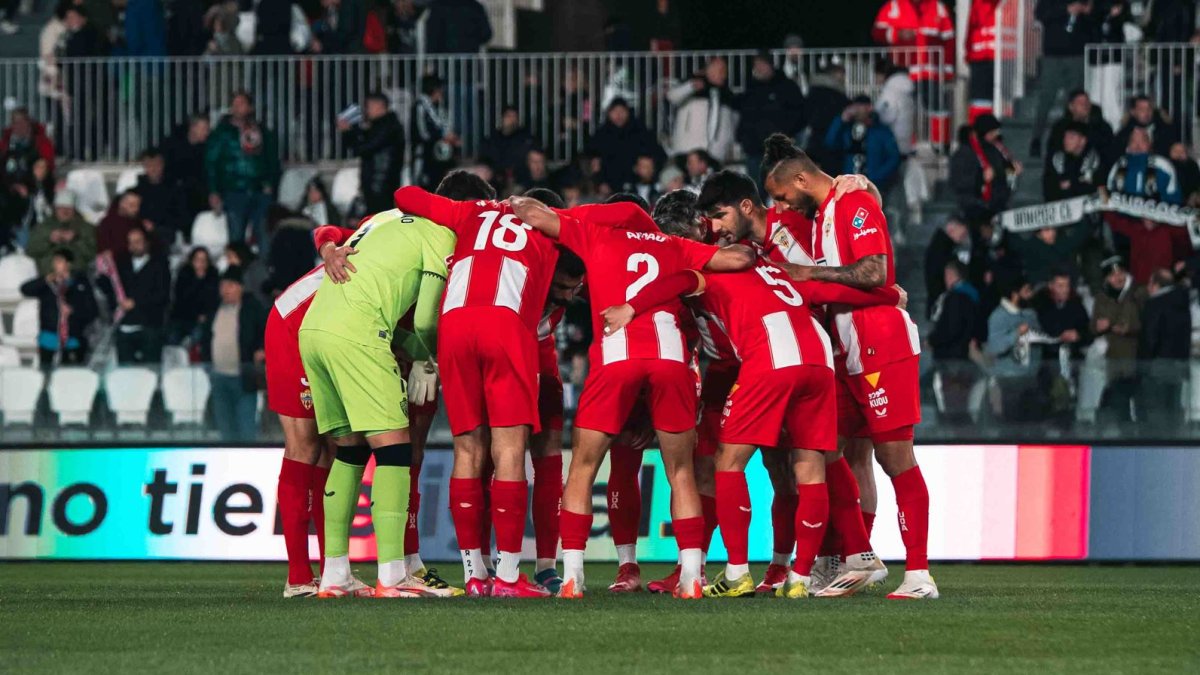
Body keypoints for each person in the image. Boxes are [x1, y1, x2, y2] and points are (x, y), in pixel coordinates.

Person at [597, 242, 900, 599]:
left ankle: (737, 573)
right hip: (818, 361)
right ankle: (799, 579)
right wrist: (889, 296)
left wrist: (631, 307)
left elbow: (677, 280)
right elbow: (830, 290)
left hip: (770, 355)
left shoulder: (712, 274)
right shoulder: (777, 274)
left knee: (728, 460)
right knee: (810, 466)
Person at [508, 189, 756, 600]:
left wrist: (507, 205)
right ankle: (692, 578)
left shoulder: (594, 236)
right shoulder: (675, 244)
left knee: (584, 468)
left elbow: (536, 215)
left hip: (617, 357)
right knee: (681, 473)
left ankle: (572, 577)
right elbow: (738, 259)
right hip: (673, 361)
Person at [761, 133, 935, 600]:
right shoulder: (823, 218)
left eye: (782, 196)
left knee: (894, 457)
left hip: (881, 343)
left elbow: (876, 270)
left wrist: (809, 275)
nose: (782, 206)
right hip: (848, 348)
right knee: (825, 447)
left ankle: (919, 575)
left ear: (800, 178)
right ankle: (859, 556)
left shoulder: (853, 200)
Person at [393, 172, 560, 598]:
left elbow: (405, 194)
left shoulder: (468, 212)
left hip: (453, 328)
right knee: (509, 449)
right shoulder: (548, 222)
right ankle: (507, 576)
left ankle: (474, 574)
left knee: (467, 449)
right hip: (505, 325)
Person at [299, 202, 456, 599]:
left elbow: (331, 239)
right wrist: (427, 356)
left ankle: (335, 574)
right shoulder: (440, 233)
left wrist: (412, 348)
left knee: (349, 452)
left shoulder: (380, 219)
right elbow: (423, 320)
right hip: (361, 336)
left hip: (314, 331)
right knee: (394, 453)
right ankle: (392, 575)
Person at [206, 91, 281, 256]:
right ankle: (237, 276)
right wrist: (214, 190)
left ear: (250, 107)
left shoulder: (261, 131)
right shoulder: (222, 133)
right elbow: (211, 163)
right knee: (236, 239)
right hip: (234, 191)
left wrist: (270, 184)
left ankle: (264, 276)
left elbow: (272, 160)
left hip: (259, 192)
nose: (237, 107)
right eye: (235, 104)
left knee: (264, 238)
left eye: (241, 103)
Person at [205, 266, 267, 441]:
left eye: (230, 285)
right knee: (225, 430)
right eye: (223, 285)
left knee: (246, 430)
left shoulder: (252, 308)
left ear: (240, 287)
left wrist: (261, 349)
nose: (225, 290)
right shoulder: (214, 309)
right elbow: (206, 337)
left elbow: (266, 331)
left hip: (244, 379)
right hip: (218, 379)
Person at [1031, 0, 1097, 158]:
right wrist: (1066, 9)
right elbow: (1041, 14)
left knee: (1075, 100)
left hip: (1077, 53)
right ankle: (1036, 139)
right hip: (1053, 53)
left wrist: (1086, 11)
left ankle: (1073, 138)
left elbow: (1094, 19)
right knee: (1046, 97)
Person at [736, 51, 805, 184]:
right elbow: (745, 117)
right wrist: (743, 138)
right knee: (757, 191)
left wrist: (786, 136)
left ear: (770, 65)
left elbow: (799, 115)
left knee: (782, 189)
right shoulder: (751, 89)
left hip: (779, 152)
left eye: (761, 64)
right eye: (756, 65)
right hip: (755, 150)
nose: (758, 68)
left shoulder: (787, 87)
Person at [103, 228, 171, 364]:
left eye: (138, 241)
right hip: (124, 326)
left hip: (150, 326)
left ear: (146, 243)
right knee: (126, 373)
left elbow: (162, 295)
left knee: (150, 371)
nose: (135, 245)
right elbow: (110, 288)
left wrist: (136, 303)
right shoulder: (121, 265)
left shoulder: (160, 266)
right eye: (131, 242)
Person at [19, 249, 98, 366]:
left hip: (72, 338)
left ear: (68, 264)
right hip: (48, 337)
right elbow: (25, 289)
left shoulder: (81, 283)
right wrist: (44, 280)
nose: (56, 264)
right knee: (45, 373)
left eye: (59, 261)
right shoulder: (48, 284)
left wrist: (73, 311)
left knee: (69, 376)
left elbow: (92, 311)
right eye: (54, 261)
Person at [986, 276, 1046, 420]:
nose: (1030, 295)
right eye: (1026, 291)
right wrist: (1016, 333)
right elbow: (994, 347)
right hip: (1009, 378)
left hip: (1031, 376)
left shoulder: (1030, 314)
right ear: (1015, 294)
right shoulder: (998, 316)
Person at [1091, 257, 1143, 422]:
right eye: (1113, 275)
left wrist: (1121, 326)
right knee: (1118, 402)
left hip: (1136, 355)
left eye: (1120, 273)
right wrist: (1097, 327)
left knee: (1139, 400)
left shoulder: (1139, 292)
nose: (1118, 278)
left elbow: (1146, 321)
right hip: (1113, 357)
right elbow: (1093, 325)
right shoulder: (1101, 297)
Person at [928, 260, 981, 423]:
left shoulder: (955, 298)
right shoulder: (972, 296)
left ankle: (952, 429)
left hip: (951, 358)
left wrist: (933, 341)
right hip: (962, 355)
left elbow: (950, 329)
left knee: (952, 400)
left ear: (951, 275)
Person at [1138, 267, 1191, 427]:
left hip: (1157, 366)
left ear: (1154, 284)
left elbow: (1149, 338)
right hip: (1179, 365)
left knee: (1155, 412)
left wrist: (1143, 365)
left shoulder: (1154, 304)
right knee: (1173, 408)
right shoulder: (1182, 303)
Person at [339, 91, 404, 214]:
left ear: (379, 106)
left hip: (382, 185)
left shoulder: (388, 126)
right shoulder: (379, 126)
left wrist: (349, 132)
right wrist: (349, 131)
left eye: (368, 106)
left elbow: (364, 148)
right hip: (375, 186)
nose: (366, 111)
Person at [588, 98, 665, 196]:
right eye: (615, 111)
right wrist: (601, 182)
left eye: (622, 111)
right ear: (609, 113)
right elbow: (594, 162)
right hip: (610, 183)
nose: (619, 115)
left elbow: (657, 153)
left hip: (638, 182)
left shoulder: (639, 131)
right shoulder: (601, 135)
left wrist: (647, 171)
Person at [824, 95, 902, 193]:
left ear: (869, 108)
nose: (857, 111)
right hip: (849, 186)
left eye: (860, 107)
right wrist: (841, 120)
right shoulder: (847, 130)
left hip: (873, 185)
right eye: (855, 107)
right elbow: (830, 143)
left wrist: (876, 178)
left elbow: (894, 157)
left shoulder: (880, 131)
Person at [666, 57, 737, 163]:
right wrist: (691, 86)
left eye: (724, 71)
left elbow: (732, 123)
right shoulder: (692, 84)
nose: (723, 74)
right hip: (687, 149)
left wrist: (726, 146)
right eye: (719, 70)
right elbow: (672, 96)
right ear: (707, 70)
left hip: (715, 153)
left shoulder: (727, 94)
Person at [950, 115, 1021, 220]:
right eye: (991, 133)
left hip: (997, 204)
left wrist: (1012, 169)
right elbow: (958, 180)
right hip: (974, 206)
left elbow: (998, 170)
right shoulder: (965, 152)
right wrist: (981, 178)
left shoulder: (996, 148)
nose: (994, 136)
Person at [924, 215, 986, 319]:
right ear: (951, 228)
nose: (964, 237)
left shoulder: (944, 248)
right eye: (962, 233)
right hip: (944, 306)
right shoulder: (942, 251)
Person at [27, 190, 96, 276]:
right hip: (48, 275)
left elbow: (93, 254)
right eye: (61, 208)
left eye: (68, 208)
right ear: (55, 209)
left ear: (74, 209)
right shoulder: (42, 228)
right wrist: (49, 240)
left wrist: (76, 240)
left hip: (77, 276)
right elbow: (31, 251)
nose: (65, 211)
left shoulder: (86, 228)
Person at [163, 114, 211, 228]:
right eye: (204, 129)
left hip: (199, 195)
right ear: (193, 128)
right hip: (177, 193)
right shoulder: (173, 145)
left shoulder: (208, 149)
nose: (207, 133)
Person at [135, 148, 187, 250]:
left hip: (165, 233)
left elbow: (181, 217)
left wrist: (155, 226)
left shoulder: (175, 189)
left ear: (163, 165)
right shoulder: (137, 190)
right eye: (149, 165)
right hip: (140, 231)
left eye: (156, 165)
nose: (153, 169)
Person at [168, 247, 220, 348]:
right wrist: (197, 280)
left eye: (204, 260)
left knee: (199, 335)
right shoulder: (184, 274)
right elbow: (181, 299)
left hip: (202, 319)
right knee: (173, 338)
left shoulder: (213, 276)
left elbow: (213, 300)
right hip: (182, 316)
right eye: (197, 260)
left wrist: (205, 315)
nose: (201, 263)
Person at [804, 63, 851, 175]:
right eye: (842, 75)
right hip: (831, 141)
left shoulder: (813, 91)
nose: (844, 78)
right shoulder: (836, 95)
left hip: (815, 140)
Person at [412, 75, 456, 191]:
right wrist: (442, 136)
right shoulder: (420, 106)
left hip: (436, 154)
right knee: (422, 187)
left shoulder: (437, 107)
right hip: (423, 154)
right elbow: (422, 132)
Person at [480, 105, 538, 190]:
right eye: (509, 116)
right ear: (502, 118)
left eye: (515, 117)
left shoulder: (525, 139)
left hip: (521, 179)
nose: (512, 120)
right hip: (496, 179)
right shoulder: (493, 139)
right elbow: (485, 160)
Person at [1044, 121, 1103, 201]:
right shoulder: (1058, 159)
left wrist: (1071, 184)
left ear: (1083, 141)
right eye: (1065, 137)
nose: (1066, 140)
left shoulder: (1094, 161)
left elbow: (1093, 188)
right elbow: (1049, 188)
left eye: (1071, 137)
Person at [965, 0, 1001, 120]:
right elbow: (971, 27)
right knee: (979, 102)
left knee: (998, 100)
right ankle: (978, 133)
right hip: (979, 58)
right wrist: (969, 52)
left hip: (1001, 58)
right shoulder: (977, 3)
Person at [1114, 95, 1179, 159]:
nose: (1146, 112)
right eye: (1141, 109)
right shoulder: (1124, 134)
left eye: (1149, 108)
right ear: (1133, 112)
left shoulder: (1166, 131)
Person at [1, 108, 56, 181]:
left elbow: (48, 164)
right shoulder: (6, 140)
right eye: (15, 123)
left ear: (28, 123)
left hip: (33, 180)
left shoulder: (41, 141)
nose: (18, 126)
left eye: (21, 122)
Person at [423, 0, 492, 54]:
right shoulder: (475, 6)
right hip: (469, 59)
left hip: (443, 61)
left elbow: (432, 35)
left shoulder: (437, 5)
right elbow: (486, 34)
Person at [97, 191, 147, 257]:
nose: (136, 209)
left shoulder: (136, 221)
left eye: (137, 205)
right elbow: (105, 252)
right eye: (132, 205)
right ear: (122, 204)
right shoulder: (107, 224)